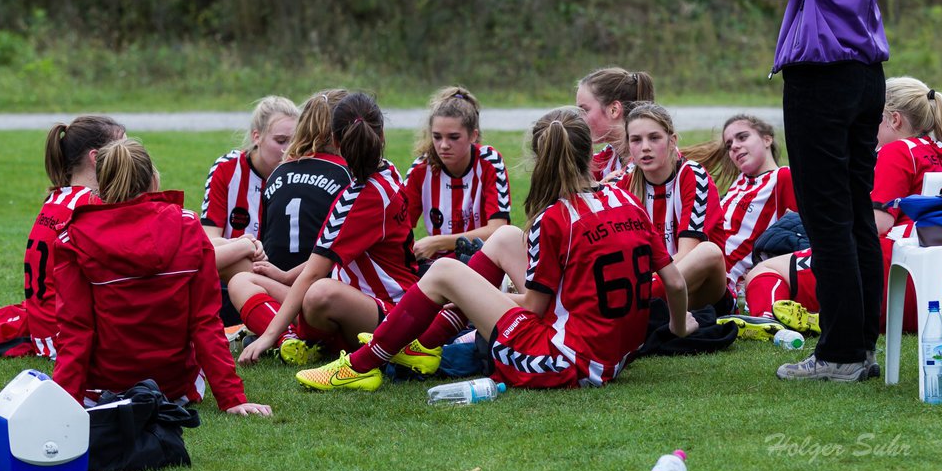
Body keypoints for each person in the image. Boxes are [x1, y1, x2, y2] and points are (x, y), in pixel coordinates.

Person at [293, 107, 697, 391]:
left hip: (563, 364)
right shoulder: (627, 200)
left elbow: (536, 311)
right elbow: (675, 284)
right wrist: (680, 328)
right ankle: (425, 346)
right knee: (503, 238)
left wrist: (485, 297)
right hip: (613, 353)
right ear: (591, 154)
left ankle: (362, 367)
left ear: (540, 159)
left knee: (445, 273)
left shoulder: (554, 219)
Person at [755, 0, 893, 380]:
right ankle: (861, 345)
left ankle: (837, 354)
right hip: (867, 70)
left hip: (820, 71)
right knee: (857, 209)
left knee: (826, 214)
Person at [744, 77, 942, 380]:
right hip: (926, 307)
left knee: (763, 272)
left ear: (894, 119)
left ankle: (770, 320)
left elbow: (877, 225)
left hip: (886, 288)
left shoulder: (898, 151)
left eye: (872, 118)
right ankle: (804, 315)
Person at [53, 138, 271, 416]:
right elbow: (205, 322)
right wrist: (232, 398)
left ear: (100, 187)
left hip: (103, 391)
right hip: (174, 389)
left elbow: (75, 331)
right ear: (153, 180)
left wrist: (61, 403)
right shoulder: (188, 226)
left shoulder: (72, 237)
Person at [238, 93, 418, 363]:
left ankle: (286, 337)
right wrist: (286, 277)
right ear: (381, 136)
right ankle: (290, 339)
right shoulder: (387, 172)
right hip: (361, 298)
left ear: (335, 141)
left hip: (389, 311)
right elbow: (325, 256)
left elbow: (314, 273)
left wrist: (266, 335)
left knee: (319, 293)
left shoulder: (361, 197)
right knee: (245, 280)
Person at [0, 116, 125, 358]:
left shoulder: (58, 198)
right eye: (123, 150)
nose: (130, 158)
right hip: (66, 336)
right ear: (96, 158)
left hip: (45, 327)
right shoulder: (89, 206)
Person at [227, 89, 352, 362]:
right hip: (326, 298)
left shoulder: (278, 173)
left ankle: (285, 337)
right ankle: (294, 340)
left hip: (287, 294)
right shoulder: (348, 173)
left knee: (239, 281)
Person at [619, 103, 729, 311]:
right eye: (636, 140)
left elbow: (688, 253)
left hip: (700, 290)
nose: (645, 147)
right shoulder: (624, 183)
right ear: (628, 146)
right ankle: (642, 309)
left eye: (654, 138)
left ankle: (636, 309)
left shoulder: (693, 176)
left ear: (672, 141)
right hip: (651, 288)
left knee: (709, 252)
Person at [685, 114, 797, 310]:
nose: (734, 146)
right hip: (699, 266)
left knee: (706, 254)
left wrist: (762, 271)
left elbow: (799, 236)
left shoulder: (782, 177)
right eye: (729, 145)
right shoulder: (738, 184)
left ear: (767, 139)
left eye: (742, 137)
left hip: (725, 282)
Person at [403, 86, 511, 266]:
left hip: (484, 259)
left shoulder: (489, 162)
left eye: (453, 137)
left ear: (473, 136)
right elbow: (398, 227)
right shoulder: (420, 169)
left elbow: (498, 230)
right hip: (438, 266)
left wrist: (439, 242)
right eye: (437, 137)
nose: (444, 145)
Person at [199, 95, 298, 279]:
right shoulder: (227, 169)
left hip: (286, 279)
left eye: (295, 141)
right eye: (281, 140)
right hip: (233, 276)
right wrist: (245, 245)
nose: (289, 150)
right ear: (256, 137)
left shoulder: (303, 174)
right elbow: (208, 243)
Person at [574, 67, 656, 182]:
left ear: (614, 110)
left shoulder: (649, 161)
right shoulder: (609, 155)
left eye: (584, 110)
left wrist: (599, 188)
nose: (579, 118)